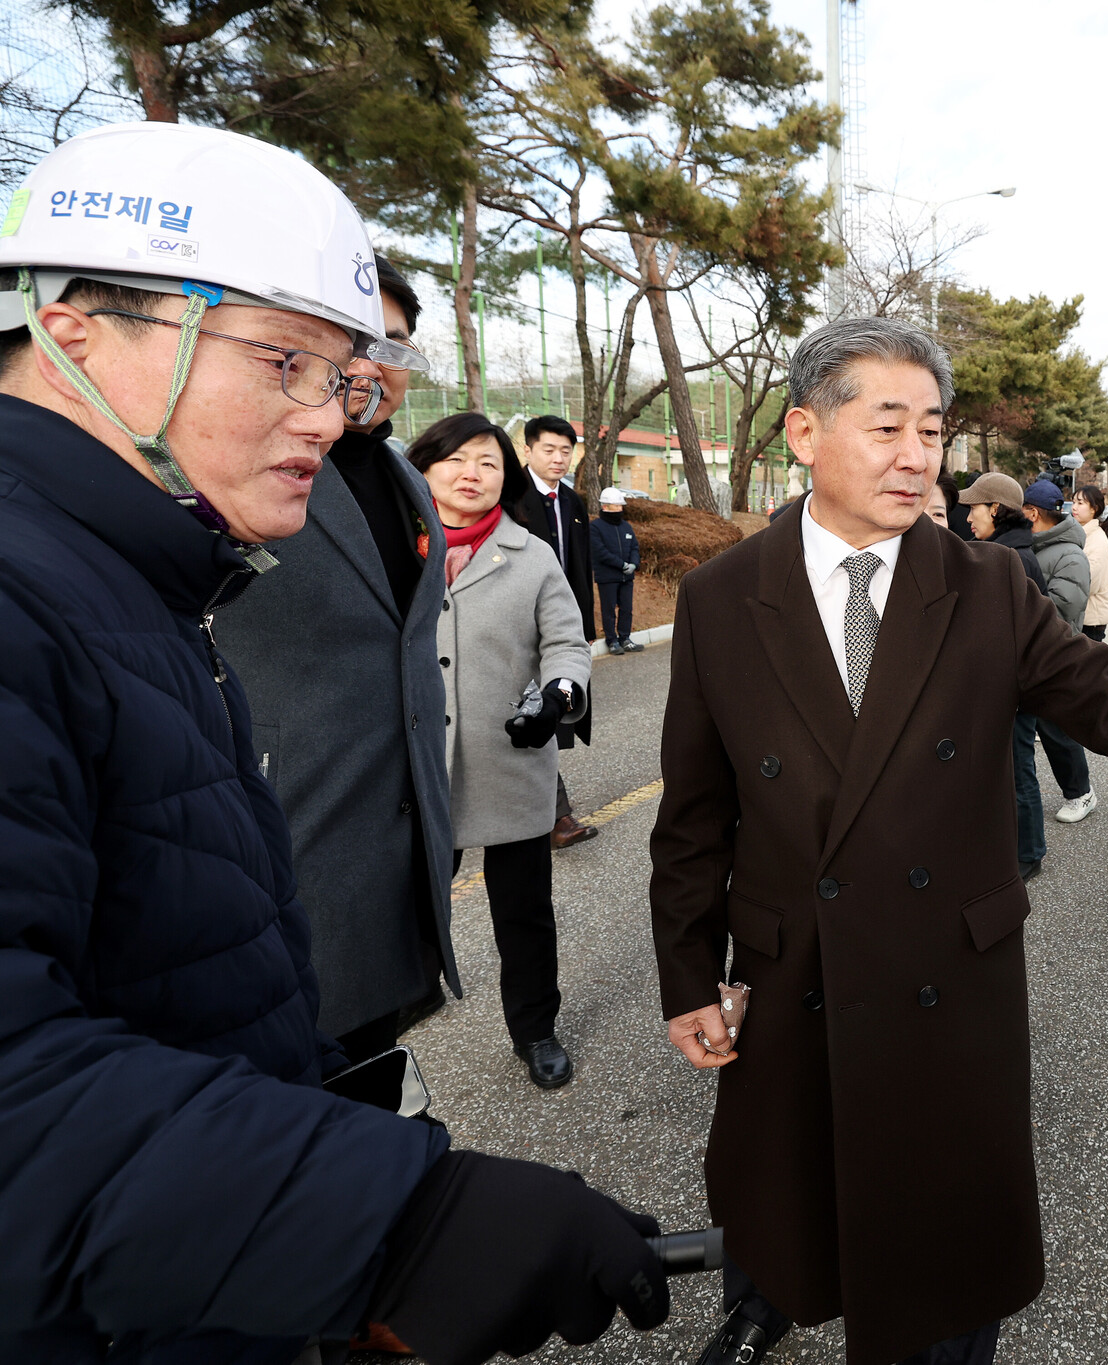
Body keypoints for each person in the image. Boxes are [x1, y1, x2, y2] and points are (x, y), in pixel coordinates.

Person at [0, 119, 667, 1365]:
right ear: (72, 324)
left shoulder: (140, 577)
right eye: (282, 361)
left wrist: (321, 1135)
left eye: (349, 374)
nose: (332, 413)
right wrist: (385, 1221)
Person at [648, 316, 1108, 1365]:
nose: (917, 456)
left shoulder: (981, 586)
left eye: (931, 430)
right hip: (793, 972)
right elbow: (692, 814)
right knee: (784, 1191)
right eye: (886, 427)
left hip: (941, 976)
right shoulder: (722, 599)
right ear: (801, 432)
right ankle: (759, 1305)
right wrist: (688, 974)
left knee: (944, 1248)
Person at [212, 255, 459, 1067]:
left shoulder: (403, 475)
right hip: (279, 825)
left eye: (391, 345)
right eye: (349, 340)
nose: (368, 365)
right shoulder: (231, 460)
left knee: (370, 1060)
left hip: (394, 834)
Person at [410, 413, 592, 1090]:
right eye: (454, 460)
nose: (471, 475)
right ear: (423, 469)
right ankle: (397, 1005)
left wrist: (557, 692)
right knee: (411, 901)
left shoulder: (530, 553)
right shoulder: (398, 550)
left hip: (510, 759)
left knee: (523, 912)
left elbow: (566, 643)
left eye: (487, 463)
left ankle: (536, 1028)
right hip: (422, 765)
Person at [960, 472, 1055, 879]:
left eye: (974, 508)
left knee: (1018, 767)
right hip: (1003, 681)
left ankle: (1029, 853)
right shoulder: (1005, 549)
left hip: (1013, 684)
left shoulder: (1012, 557)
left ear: (996, 509)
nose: (967, 519)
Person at [518, 413, 600, 849]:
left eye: (565, 450)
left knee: (548, 712)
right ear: (527, 450)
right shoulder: (510, 498)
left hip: (560, 629)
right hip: (518, 624)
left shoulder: (572, 503)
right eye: (548, 449)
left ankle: (551, 814)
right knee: (537, 712)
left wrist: (584, 626)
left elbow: (579, 569)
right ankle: (554, 816)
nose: (558, 458)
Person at [1020, 478, 1097, 826]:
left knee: (1057, 728)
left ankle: (1081, 792)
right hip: (1029, 654)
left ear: (1032, 513)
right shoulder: (1034, 545)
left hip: (1054, 654)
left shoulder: (1069, 554)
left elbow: (1065, 606)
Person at [591, 484, 645, 654]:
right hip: (608, 576)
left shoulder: (626, 527)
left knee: (626, 609)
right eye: (617, 505)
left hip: (627, 577)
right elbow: (600, 552)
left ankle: (625, 638)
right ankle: (612, 640)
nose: (621, 509)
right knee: (608, 610)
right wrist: (621, 564)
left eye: (621, 505)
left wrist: (634, 564)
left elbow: (634, 547)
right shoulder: (596, 527)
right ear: (605, 506)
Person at [1074, 483, 1108, 643]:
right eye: (1073, 502)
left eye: (1080, 503)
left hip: (1091, 619)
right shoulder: (1083, 534)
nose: (1074, 507)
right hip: (1084, 616)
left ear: (1094, 508)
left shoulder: (1096, 539)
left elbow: (1090, 582)